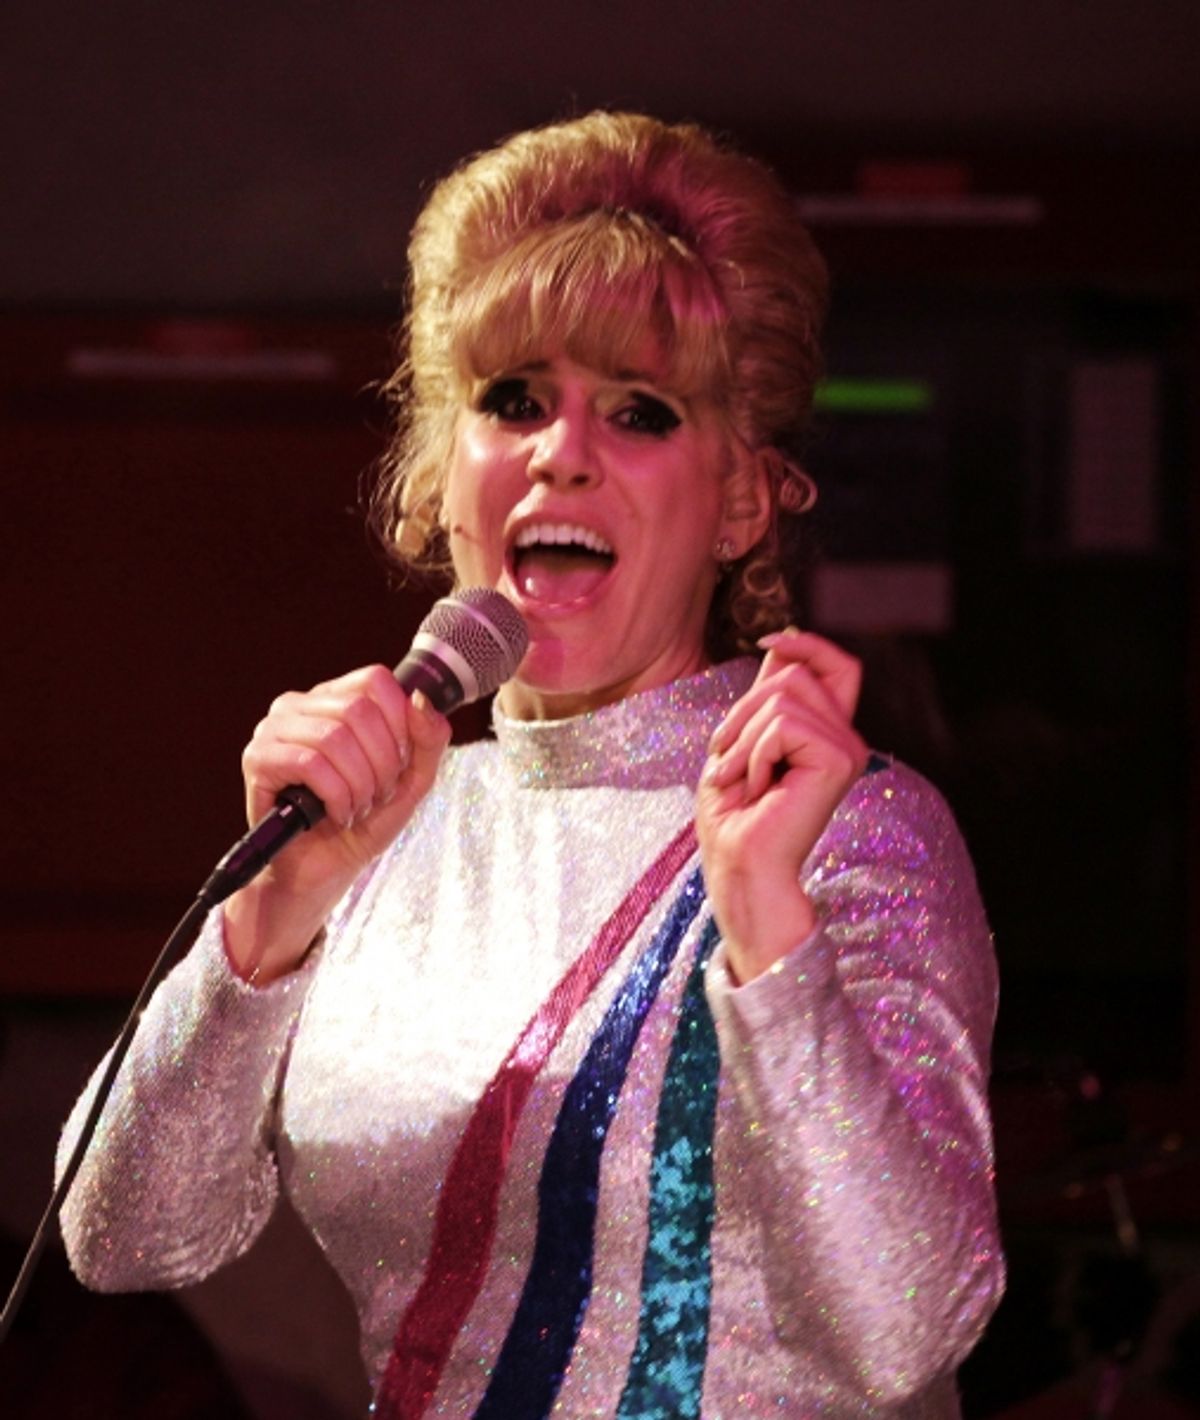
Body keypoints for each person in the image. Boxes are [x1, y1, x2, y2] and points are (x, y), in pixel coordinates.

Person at [59, 111, 1004, 1417]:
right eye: (514, 401)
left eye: (639, 411)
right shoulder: (382, 821)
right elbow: (125, 1239)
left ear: (740, 500)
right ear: (441, 479)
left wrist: (766, 937)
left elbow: (906, 1329)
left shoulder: (842, 825)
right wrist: (269, 915)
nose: (563, 451)